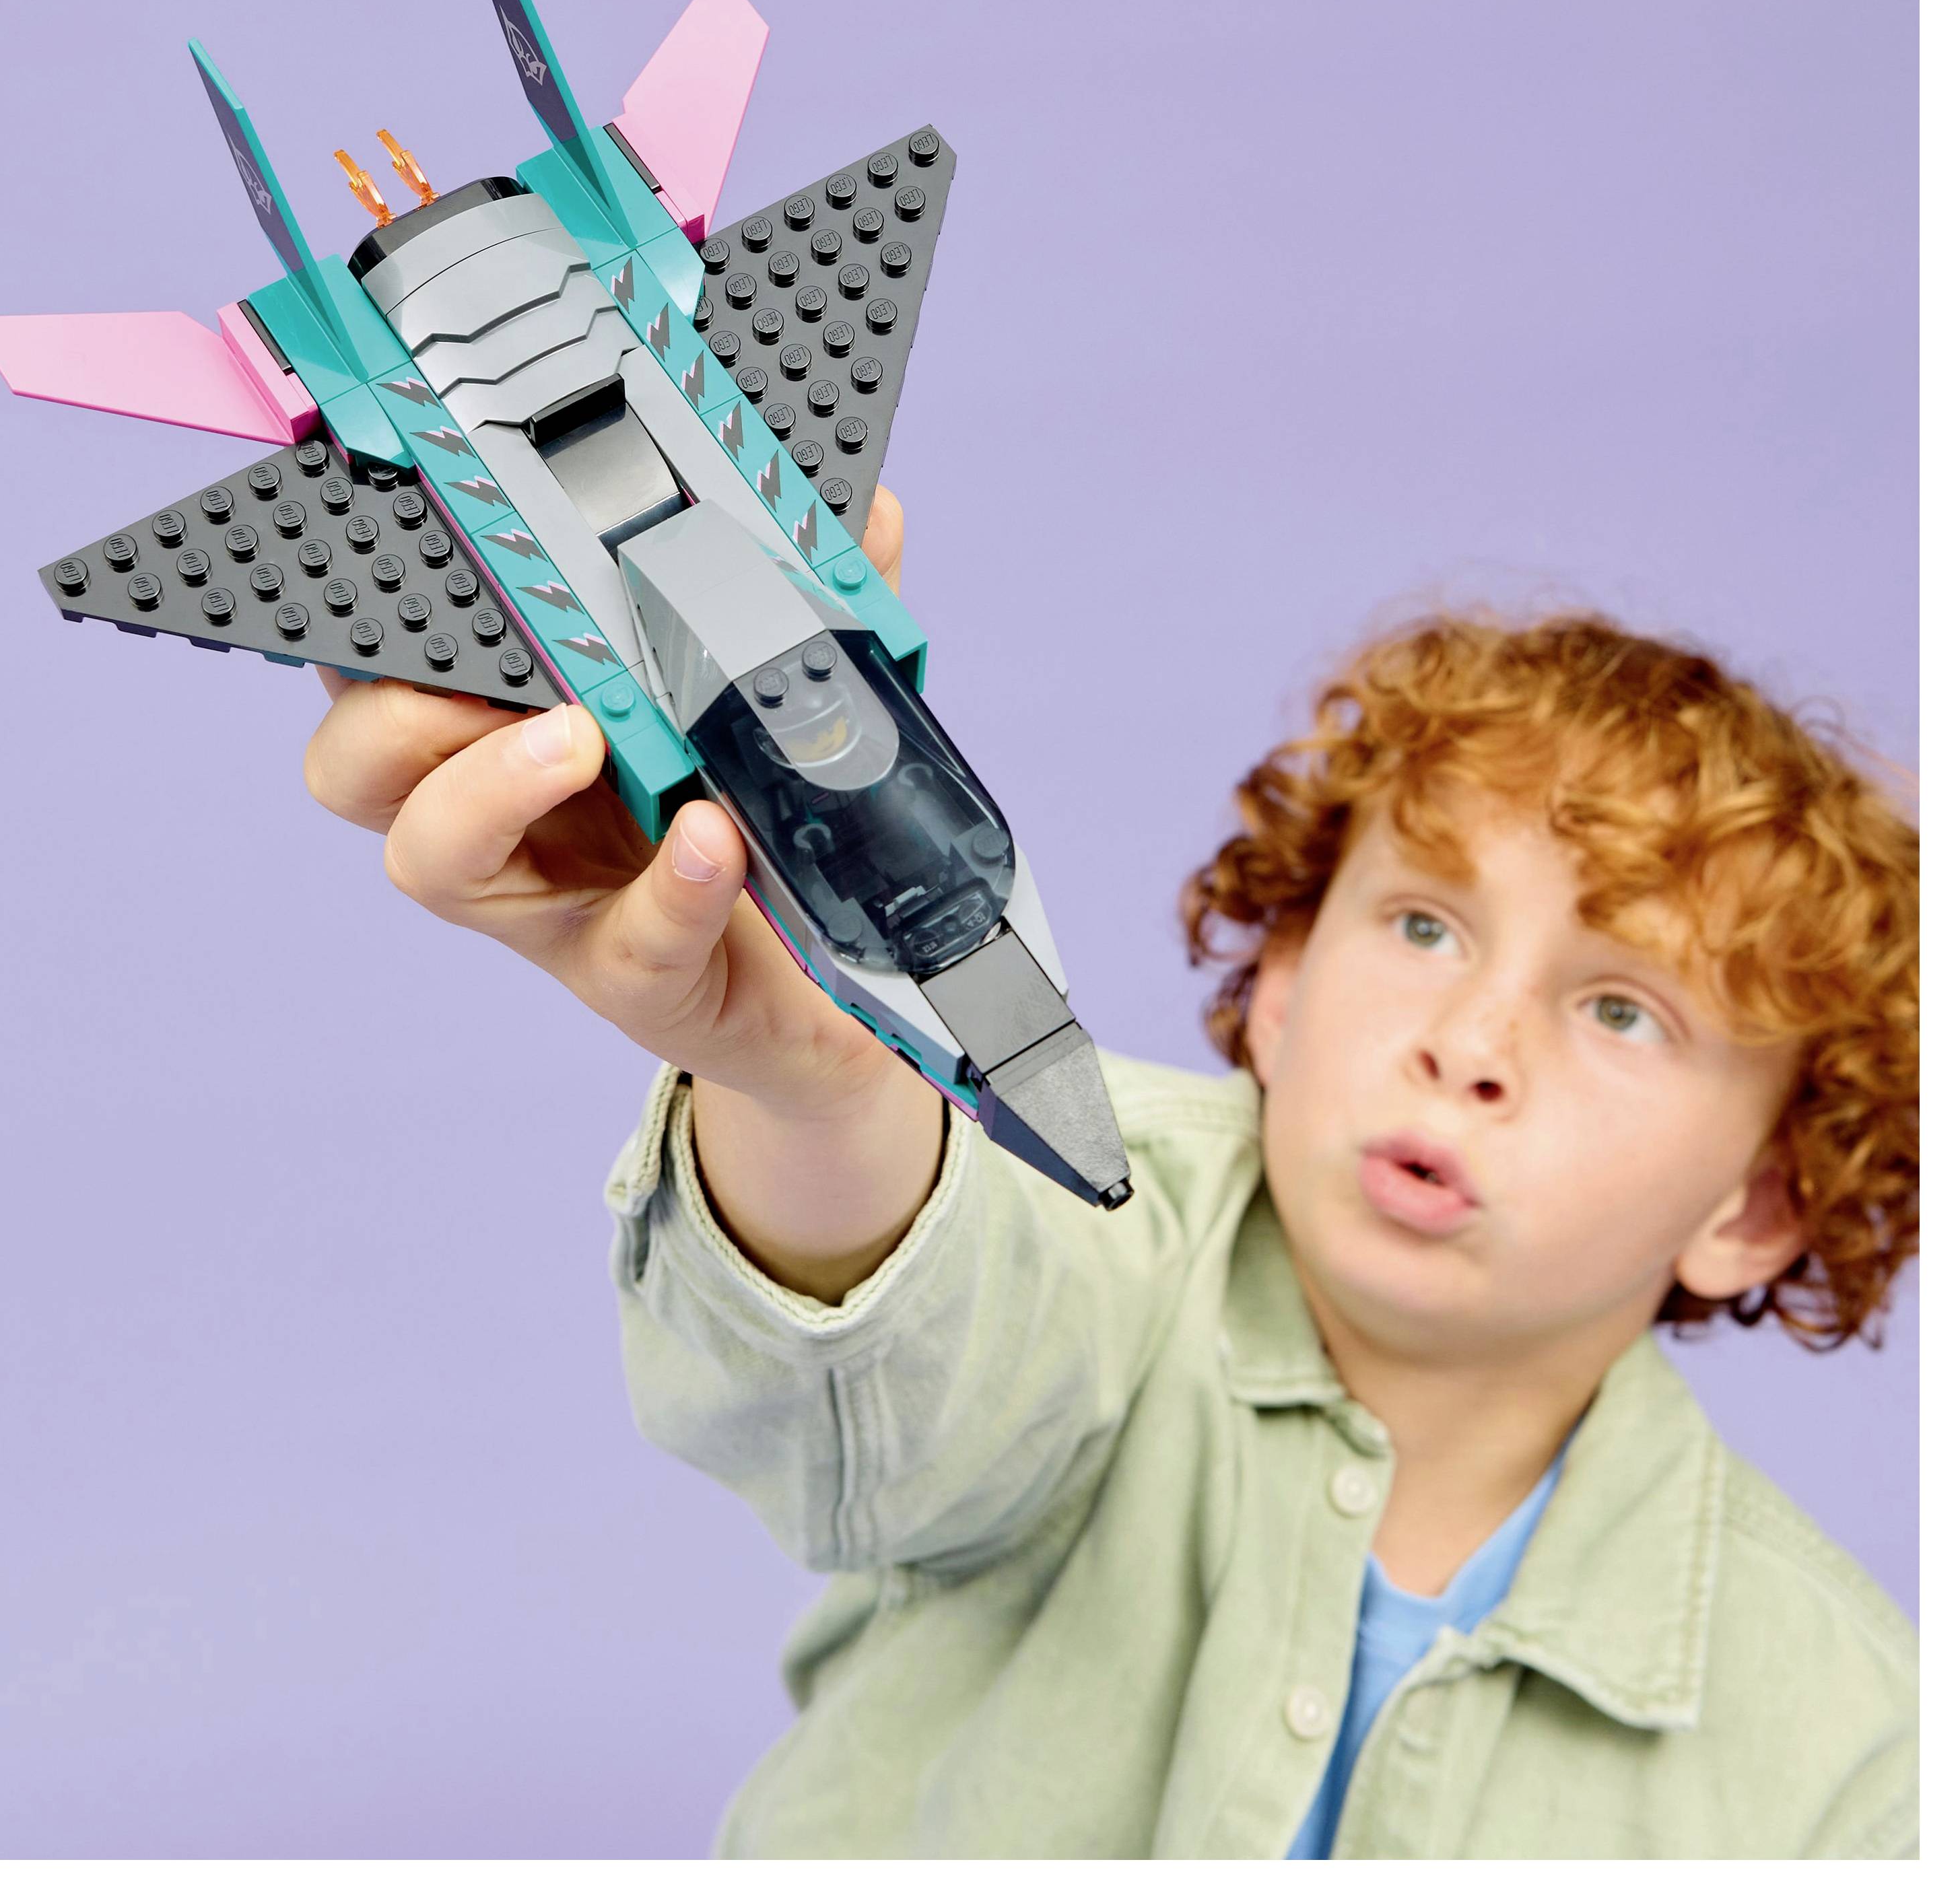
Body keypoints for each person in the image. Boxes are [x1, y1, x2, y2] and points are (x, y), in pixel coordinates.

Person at [300, 487, 1918, 1857]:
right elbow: (913, 1345)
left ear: (1756, 1203)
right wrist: (822, 1081)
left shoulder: (1854, 1747)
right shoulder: (1103, 1223)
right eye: (1421, 925)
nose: (1468, 1041)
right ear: (1280, 986)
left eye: (1620, 1009)